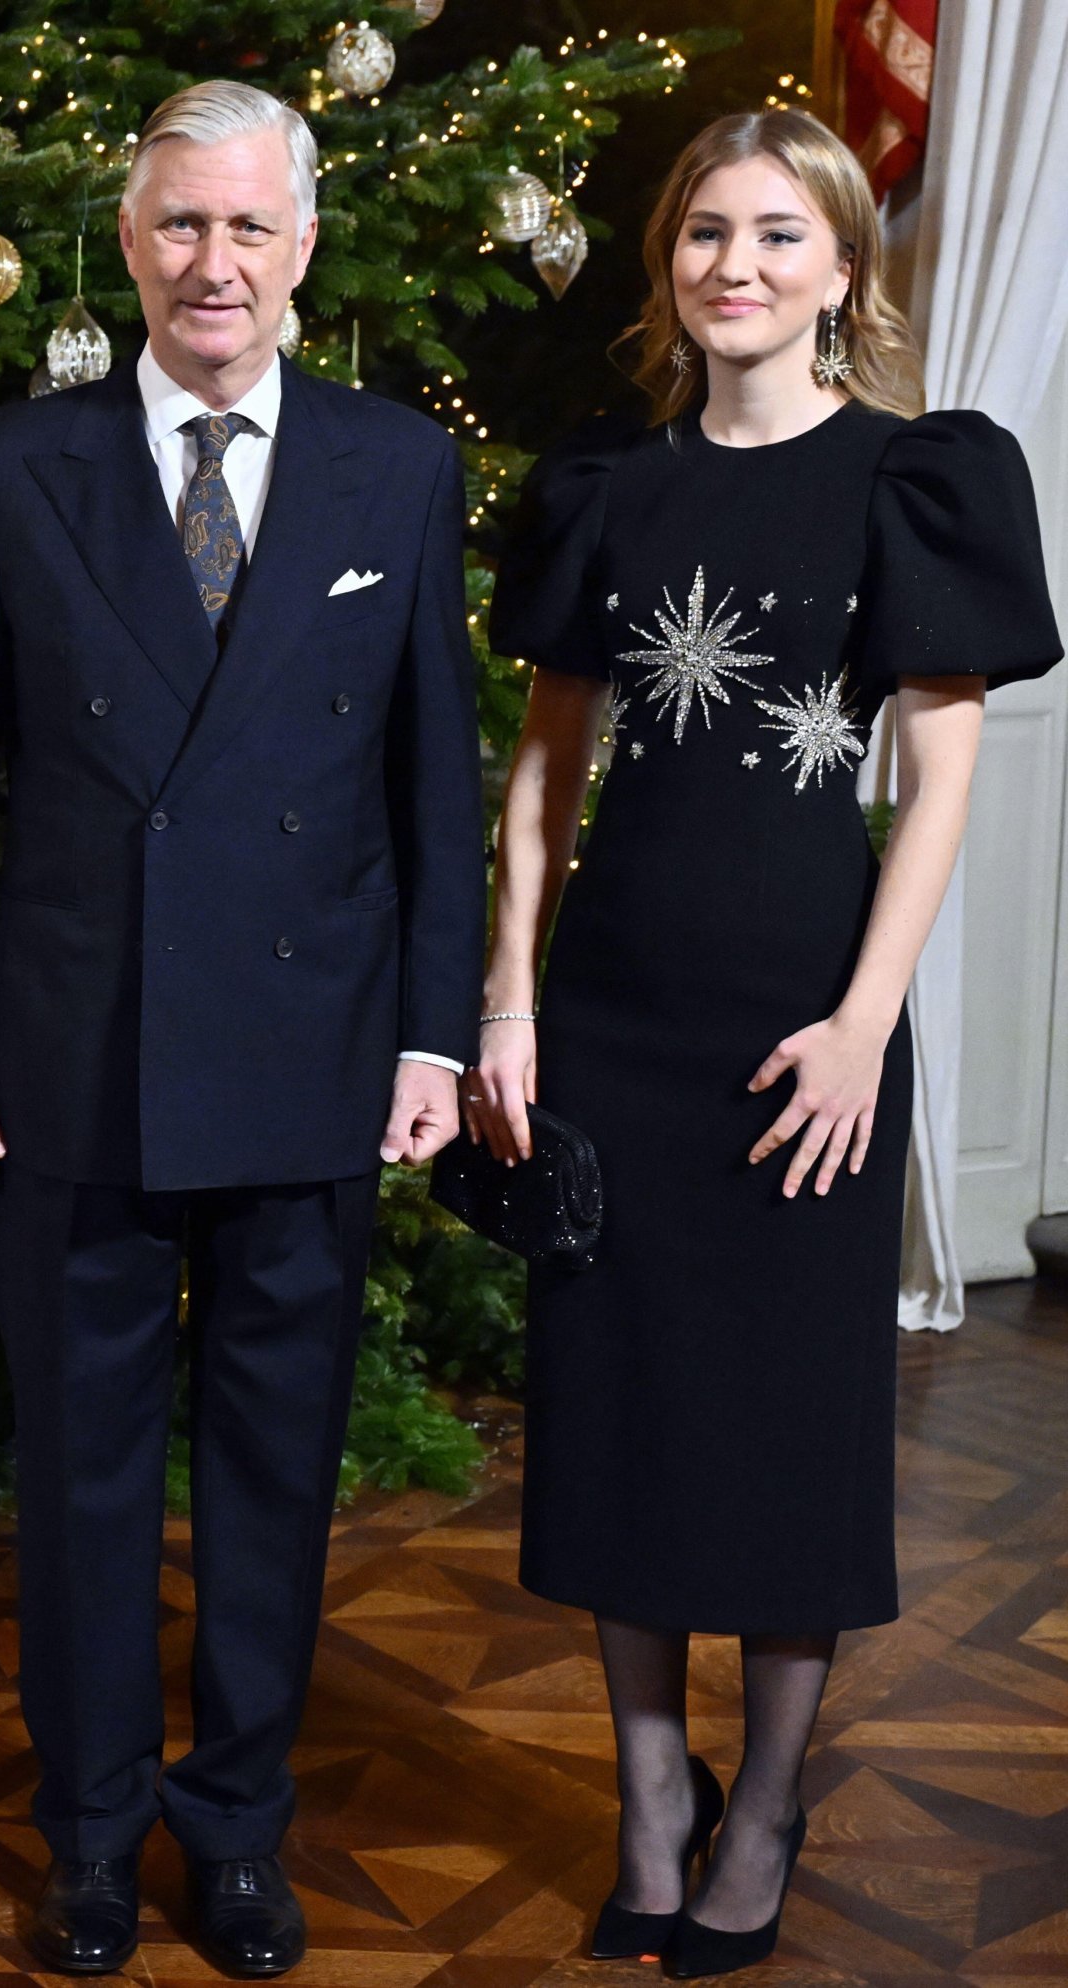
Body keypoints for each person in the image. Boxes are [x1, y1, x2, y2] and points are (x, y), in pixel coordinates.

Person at [0, 80, 484, 1980]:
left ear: (301, 247)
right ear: (130, 244)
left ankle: (236, 1832)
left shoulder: (397, 465)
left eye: (247, 227)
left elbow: (436, 781)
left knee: (274, 1473)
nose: (213, 263)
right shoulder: (13, 468)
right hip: (73, 1051)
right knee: (79, 1473)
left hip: (316, 1051)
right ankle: (87, 1839)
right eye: (178, 225)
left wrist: (433, 1036)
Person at [476, 108, 1062, 1980]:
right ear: (671, 264)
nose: (736, 265)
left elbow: (942, 778)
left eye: (778, 235)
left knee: (786, 1427)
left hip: (807, 1025)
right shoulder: (608, 490)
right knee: (623, 1418)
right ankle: (655, 1800)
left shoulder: (915, 477)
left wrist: (863, 1030)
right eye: (706, 232)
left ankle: (770, 1804)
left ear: (840, 270)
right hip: (613, 1025)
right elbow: (544, 779)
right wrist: (508, 1002)